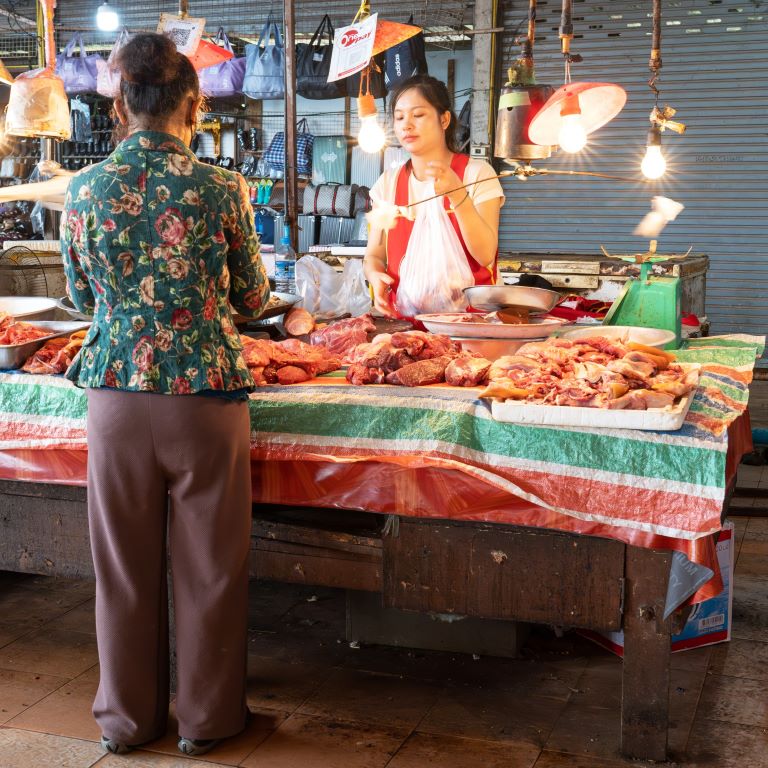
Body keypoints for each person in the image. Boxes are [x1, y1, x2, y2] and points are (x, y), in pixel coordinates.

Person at [60, 33, 269, 758]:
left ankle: (125, 724)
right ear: (194, 102)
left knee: (122, 570)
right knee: (211, 568)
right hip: (205, 395)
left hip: (115, 396)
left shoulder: (82, 190)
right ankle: (208, 724)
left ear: (121, 103)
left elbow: (82, 295)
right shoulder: (219, 188)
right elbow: (250, 294)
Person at [364, 74, 505, 318]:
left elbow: (485, 255)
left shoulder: (477, 174)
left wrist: (458, 193)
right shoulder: (388, 183)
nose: (406, 125)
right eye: (399, 117)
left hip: (473, 321)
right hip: (408, 325)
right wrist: (375, 275)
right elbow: (374, 255)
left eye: (418, 115)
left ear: (444, 119)